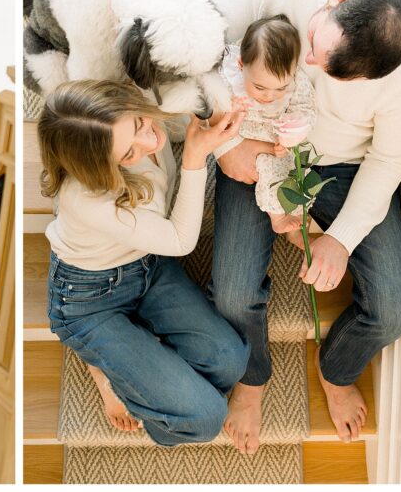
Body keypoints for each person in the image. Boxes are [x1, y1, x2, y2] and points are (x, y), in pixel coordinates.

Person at [208, 0, 401, 453]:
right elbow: (199, 45)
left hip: (342, 166)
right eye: (313, 43)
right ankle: (252, 377)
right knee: (231, 292)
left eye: (327, 67)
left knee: (396, 309)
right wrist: (226, 145)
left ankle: (336, 370)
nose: (309, 62)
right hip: (258, 143)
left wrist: (340, 240)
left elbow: (388, 162)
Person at [39, 79, 249, 445]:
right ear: (100, 169)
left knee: (229, 362)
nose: (151, 142)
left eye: (140, 123)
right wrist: (195, 159)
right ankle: (105, 370)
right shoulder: (85, 199)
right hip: (89, 300)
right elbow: (181, 241)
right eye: (128, 156)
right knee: (204, 419)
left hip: (148, 266)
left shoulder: (142, 110)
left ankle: (128, 351)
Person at [213, 13, 316, 237]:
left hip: (275, 140)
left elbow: (306, 110)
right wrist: (229, 109)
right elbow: (209, 108)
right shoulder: (229, 76)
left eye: (280, 88)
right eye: (260, 87)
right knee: (270, 170)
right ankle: (277, 217)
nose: (269, 96)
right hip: (239, 138)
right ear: (241, 65)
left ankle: (296, 217)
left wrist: (293, 133)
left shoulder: (297, 82)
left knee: (292, 172)